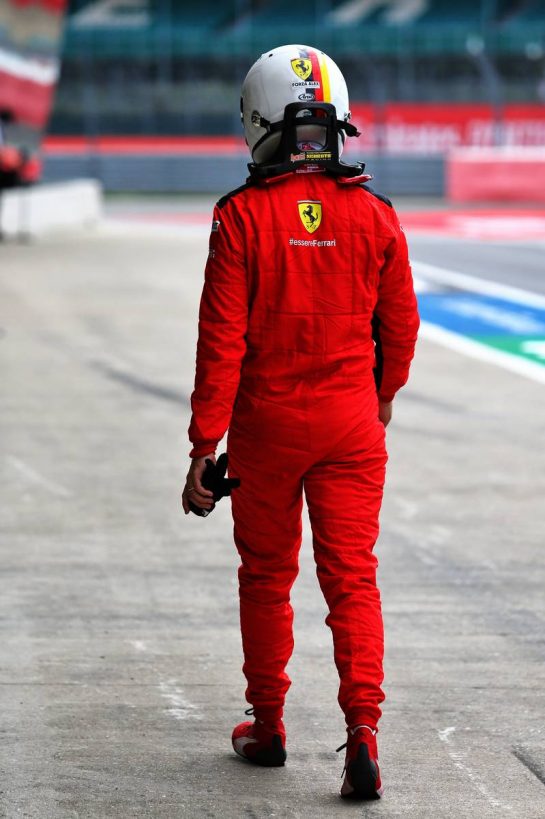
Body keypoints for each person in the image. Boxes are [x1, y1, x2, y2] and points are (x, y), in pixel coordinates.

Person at [182, 44, 419, 800]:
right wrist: (381, 394)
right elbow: (401, 327)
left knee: (266, 575)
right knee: (353, 580)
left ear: (257, 121)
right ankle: (363, 732)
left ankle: (269, 724)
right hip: (352, 426)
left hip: (266, 430)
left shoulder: (241, 217)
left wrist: (201, 447)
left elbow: (220, 343)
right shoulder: (376, 216)